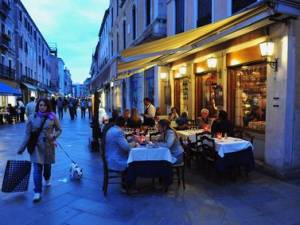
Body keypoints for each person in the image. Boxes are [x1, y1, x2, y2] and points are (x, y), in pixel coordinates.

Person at [17, 98, 62, 202]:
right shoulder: (32, 117)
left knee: (47, 167)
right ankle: (37, 191)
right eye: (41, 105)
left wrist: (54, 135)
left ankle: (47, 177)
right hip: (36, 147)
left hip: (48, 146)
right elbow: (27, 134)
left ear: (48, 106)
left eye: (45, 105)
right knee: (37, 169)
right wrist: (22, 148)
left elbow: (59, 130)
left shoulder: (52, 116)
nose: (42, 107)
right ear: (38, 106)